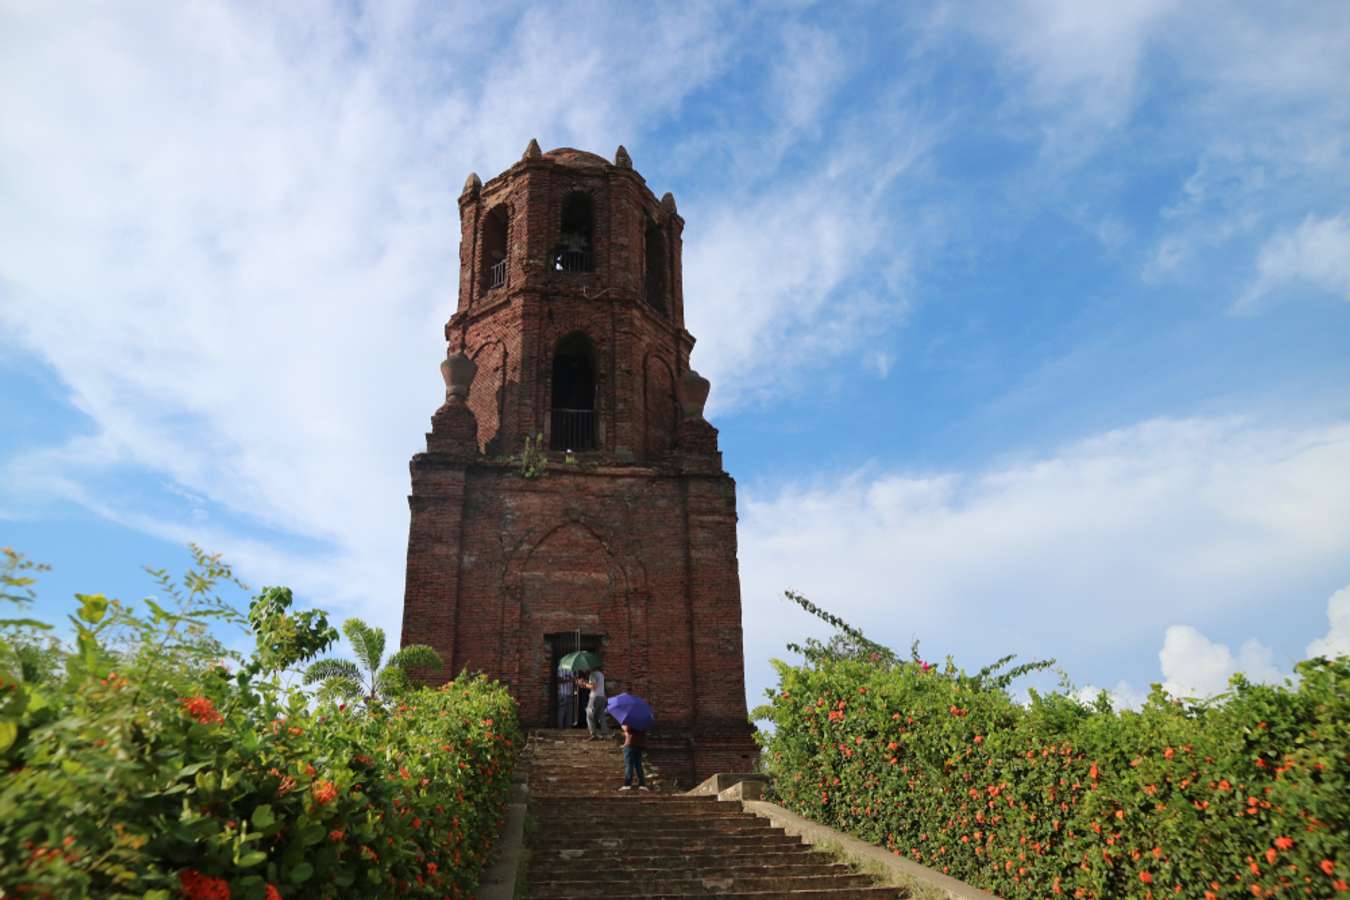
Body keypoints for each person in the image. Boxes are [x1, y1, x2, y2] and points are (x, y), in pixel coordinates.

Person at [576, 669, 609, 739]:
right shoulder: (600, 673)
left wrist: (583, 683)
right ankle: (605, 734)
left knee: (589, 716)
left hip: (594, 697)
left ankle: (593, 734)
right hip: (601, 696)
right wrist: (585, 684)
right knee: (601, 716)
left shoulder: (593, 675)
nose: (585, 671)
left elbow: (593, 687)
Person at [619, 722, 649, 791]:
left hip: (630, 743)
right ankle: (642, 784)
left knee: (629, 765)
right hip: (639, 744)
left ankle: (627, 784)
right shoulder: (643, 721)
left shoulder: (631, 719)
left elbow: (627, 729)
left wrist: (622, 726)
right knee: (638, 765)